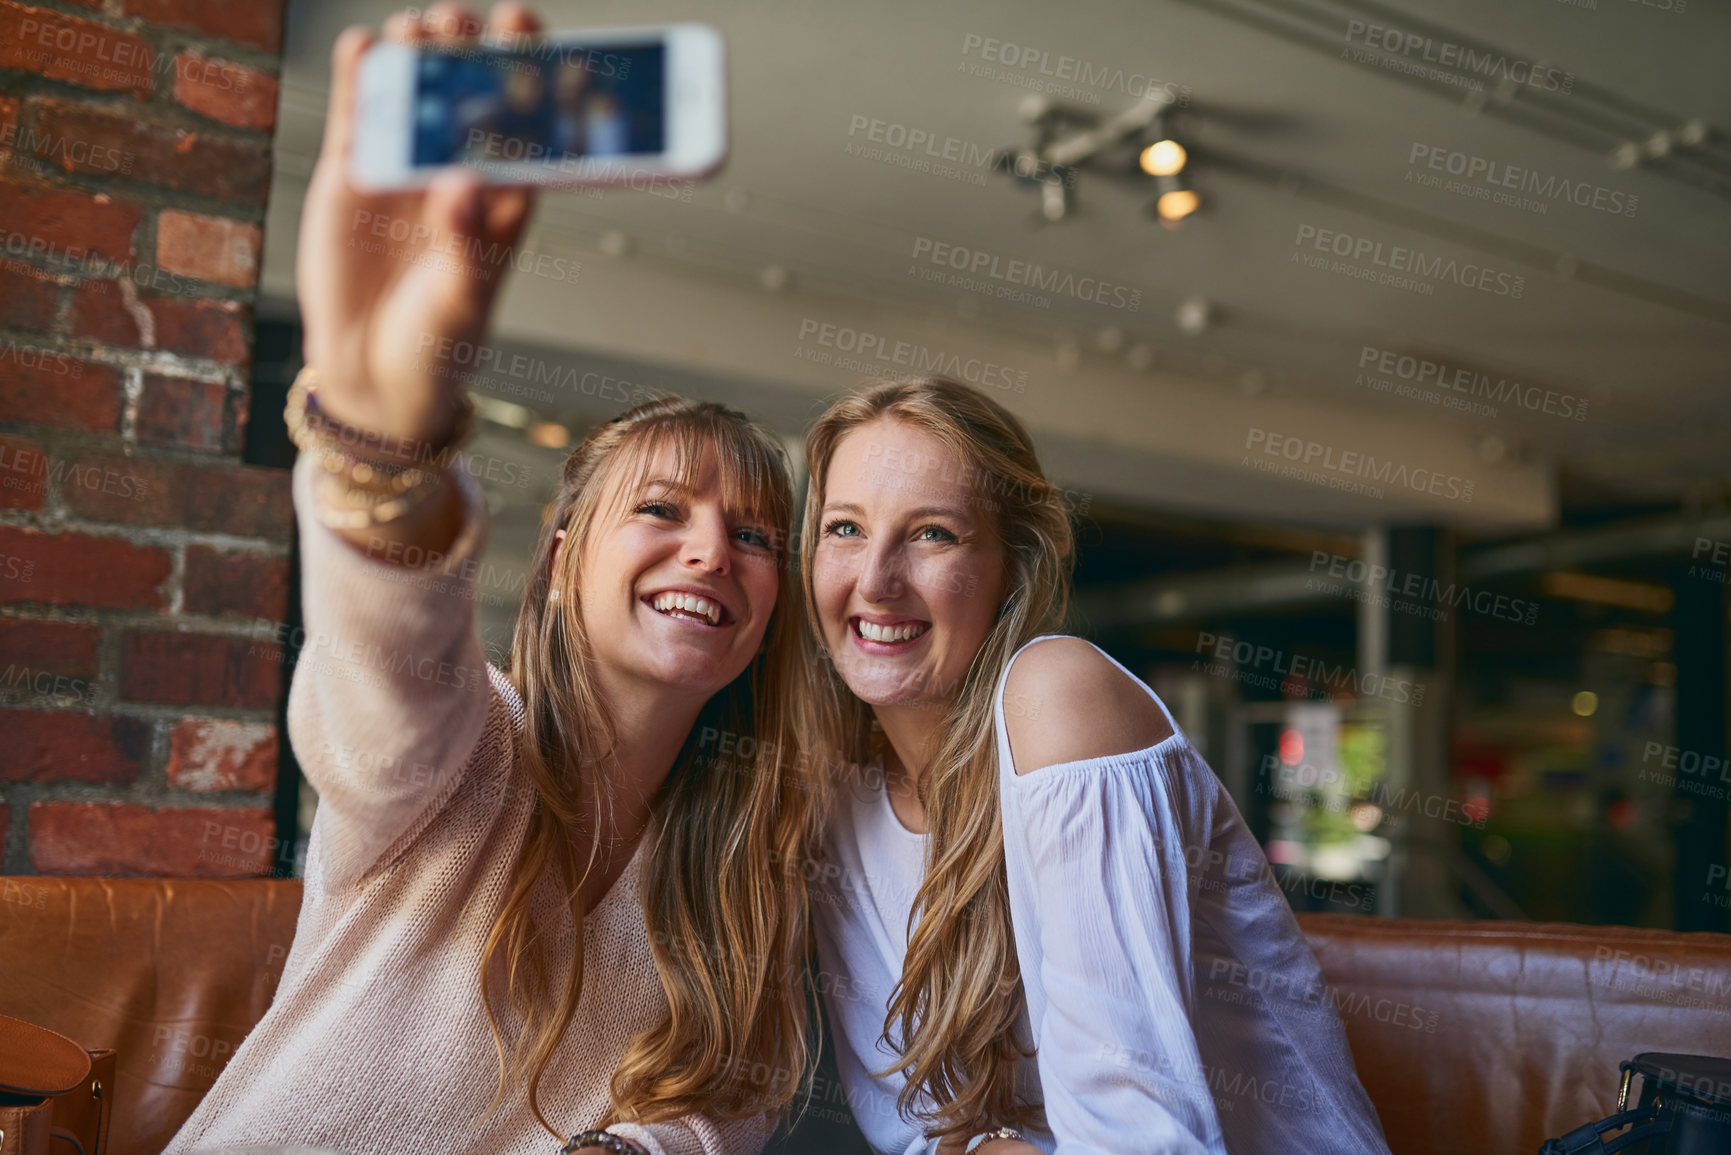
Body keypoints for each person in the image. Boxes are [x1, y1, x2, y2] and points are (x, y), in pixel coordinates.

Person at [166, 5, 814, 1154]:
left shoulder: (744, 857)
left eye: (757, 537)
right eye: (661, 512)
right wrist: (380, 451)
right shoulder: (467, 748)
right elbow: (389, 661)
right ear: (562, 566)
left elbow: (733, 1091)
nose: (713, 552)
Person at [796, 376, 1393, 1155]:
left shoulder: (1059, 697)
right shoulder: (837, 792)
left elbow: (1143, 1138)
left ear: (1014, 568)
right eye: (845, 528)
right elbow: (909, 1128)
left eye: (932, 533)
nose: (874, 579)